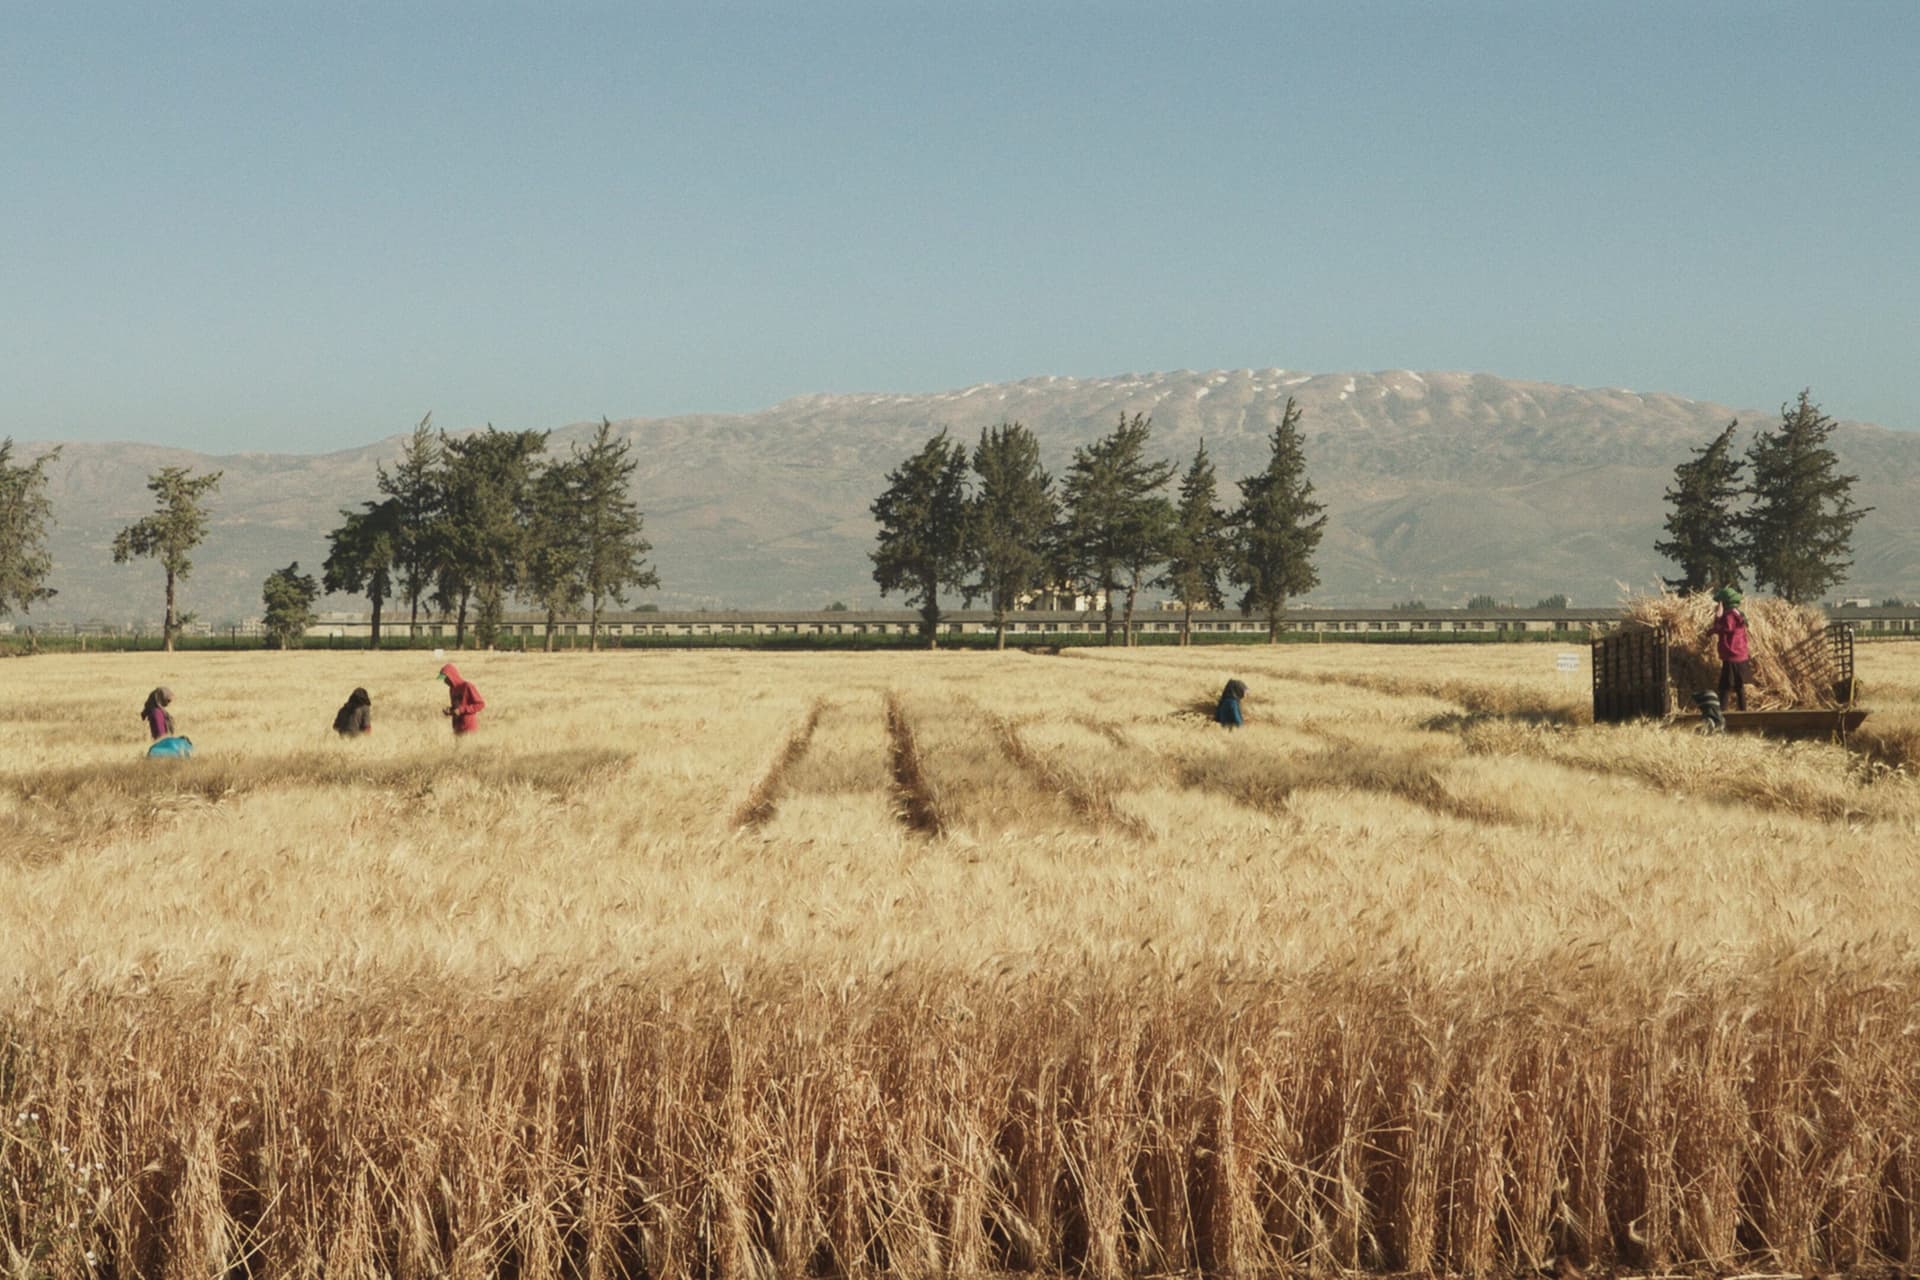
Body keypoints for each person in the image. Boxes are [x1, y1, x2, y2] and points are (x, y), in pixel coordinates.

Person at [1707, 586, 1752, 713]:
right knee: (1739, 686)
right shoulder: (1738, 613)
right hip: (1741, 655)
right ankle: (1743, 712)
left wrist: (1717, 617)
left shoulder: (1729, 616)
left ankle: (1723, 713)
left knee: (1725, 686)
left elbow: (1724, 629)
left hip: (1732, 655)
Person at [438, 663, 484, 734]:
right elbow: (457, 707)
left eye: (445, 678)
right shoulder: (452, 689)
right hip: (457, 728)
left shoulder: (467, 686)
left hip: (469, 728)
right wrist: (450, 710)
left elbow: (480, 704)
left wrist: (461, 710)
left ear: (452, 676)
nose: (444, 682)